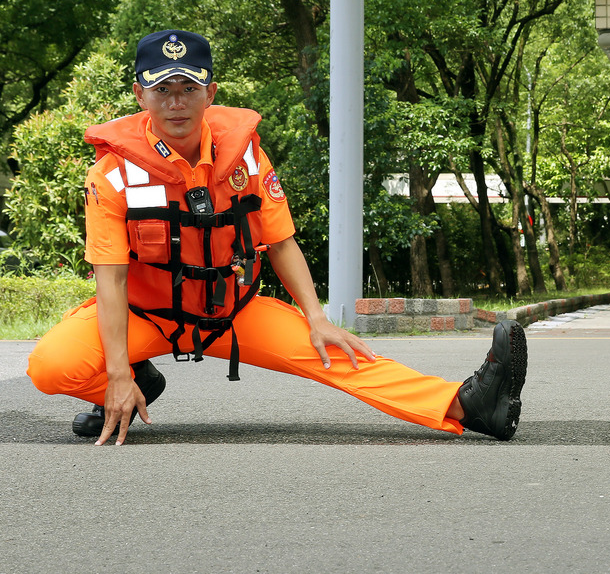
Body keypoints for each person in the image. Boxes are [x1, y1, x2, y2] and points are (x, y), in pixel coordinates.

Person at [26, 30, 527, 445]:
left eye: (188, 88)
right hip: (146, 315)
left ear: (210, 93)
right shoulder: (112, 175)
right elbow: (111, 281)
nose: (176, 103)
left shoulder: (245, 156)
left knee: (335, 352)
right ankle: (132, 382)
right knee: (51, 366)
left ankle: (469, 405)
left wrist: (317, 318)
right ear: (140, 95)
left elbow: (282, 242)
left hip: (231, 312)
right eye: (162, 90)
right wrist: (117, 373)